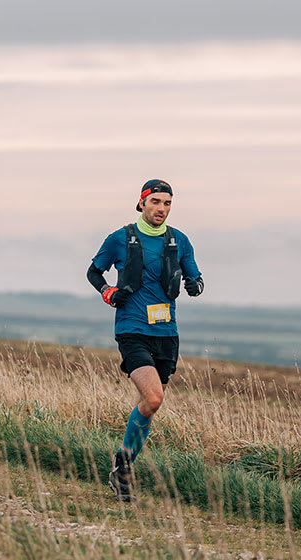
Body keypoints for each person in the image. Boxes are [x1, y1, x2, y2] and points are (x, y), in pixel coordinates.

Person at [86, 179, 203, 501]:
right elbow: (94, 273)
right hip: (132, 329)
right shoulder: (120, 239)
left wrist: (196, 285)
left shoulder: (179, 241)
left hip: (167, 334)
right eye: (155, 202)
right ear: (142, 203)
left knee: (150, 407)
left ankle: (122, 467)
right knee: (152, 398)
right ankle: (123, 462)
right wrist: (108, 292)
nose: (161, 209)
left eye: (166, 203)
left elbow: (196, 275)